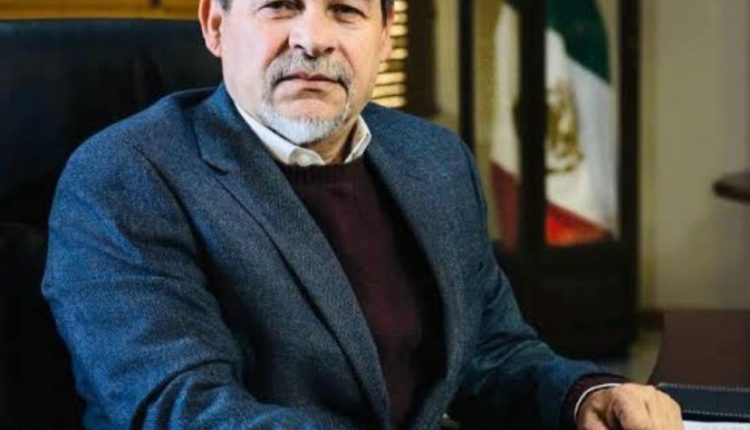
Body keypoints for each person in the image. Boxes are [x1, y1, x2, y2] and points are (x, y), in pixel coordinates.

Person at [42, 0, 683, 429]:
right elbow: (186, 411)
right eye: (280, 5)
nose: (313, 38)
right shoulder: (125, 177)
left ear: (384, 34)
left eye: (346, 10)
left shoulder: (433, 160)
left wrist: (584, 396)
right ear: (215, 23)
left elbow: (490, 352)